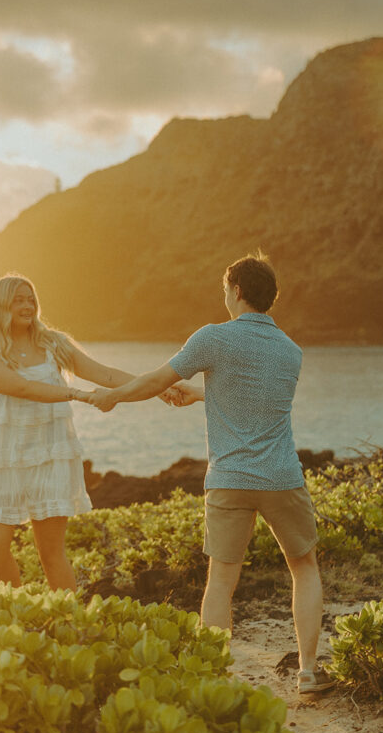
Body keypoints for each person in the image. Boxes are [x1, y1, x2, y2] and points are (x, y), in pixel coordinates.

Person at [89, 254, 334, 694]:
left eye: (225, 289)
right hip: (281, 476)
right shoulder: (290, 351)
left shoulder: (212, 338)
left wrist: (114, 396)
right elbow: (257, 400)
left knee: (221, 579)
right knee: (304, 568)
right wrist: (203, 395)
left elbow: (154, 380)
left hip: (229, 479)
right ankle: (309, 673)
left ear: (236, 291)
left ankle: (211, 679)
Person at [0, 273, 142, 593]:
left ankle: (68, 616)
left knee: (51, 553)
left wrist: (158, 386)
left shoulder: (54, 343)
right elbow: (21, 387)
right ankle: (17, 607)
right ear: (0, 306)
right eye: (18, 300)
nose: (27, 306)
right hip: (3, 460)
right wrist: (78, 395)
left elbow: (104, 374)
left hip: (50, 455)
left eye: (31, 299)